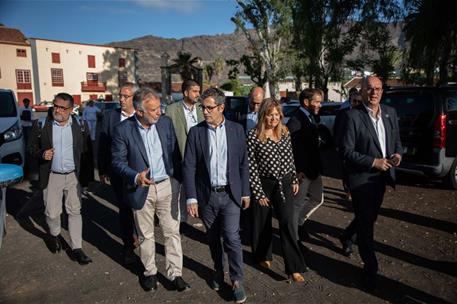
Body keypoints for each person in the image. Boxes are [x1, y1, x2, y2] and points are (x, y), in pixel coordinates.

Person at [111, 87, 189, 292]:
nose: (159, 113)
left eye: (159, 108)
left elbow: (174, 154)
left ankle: (175, 274)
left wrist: (178, 179)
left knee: (172, 232)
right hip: (140, 189)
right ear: (139, 111)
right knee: (146, 235)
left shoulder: (165, 123)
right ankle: (150, 273)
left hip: (166, 186)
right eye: (153, 110)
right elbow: (117, 162)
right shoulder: (123, 130)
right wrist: (136, 177)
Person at [183, 88, 250, 304]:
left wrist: (245, 192)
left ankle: (237, 280)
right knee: (212, 239)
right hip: (207, 196)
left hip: (230, 195)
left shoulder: (237, 130)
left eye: (209, 107)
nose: (204, 111)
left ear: (221, 107)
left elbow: (243, 164)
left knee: (232, 237)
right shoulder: (196, 132)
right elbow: (189, 166)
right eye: (202, 107)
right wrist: (191, 198)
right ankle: (218, 271)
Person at [339, 76, 402, 291]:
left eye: (377, 89)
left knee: (368, 217)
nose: (374, 93)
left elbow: (396, 141)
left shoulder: (390, 113)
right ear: (362, 91)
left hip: (382, 178)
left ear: (382, 91)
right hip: (361, 179)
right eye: (369, 89)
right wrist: (373, 162)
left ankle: (347, 235)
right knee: (367, 225)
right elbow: (346, 152)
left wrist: (397, 155)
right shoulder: (352, 116)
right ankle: (370, 268)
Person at [28, 93, 93, 265]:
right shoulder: (42, 124)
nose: (57, 110)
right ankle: (55, 235)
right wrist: (42, 153)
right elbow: (30, 147)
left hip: (73, 176)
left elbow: (87, 154)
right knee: (52, 213)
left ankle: (77, 248)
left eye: (62, 108)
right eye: (55, 106)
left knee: (74, 211)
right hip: (51, 176)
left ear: (71, 110)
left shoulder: (81, 126)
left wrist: (86, 180)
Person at [247, 98, 307, 282]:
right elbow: (251, 166)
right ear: (263, 115)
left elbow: (290, 157)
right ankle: (263, 256)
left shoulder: (285, 132)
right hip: (264, 183)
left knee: (288, 221)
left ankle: (294, 267)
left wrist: (294, 178)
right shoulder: (253, 136)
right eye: (270, 115)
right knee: (262, 221)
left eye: (276, 115)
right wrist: (258, 192)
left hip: (285, 183)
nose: (273, 118)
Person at [98, 82, 138, 264]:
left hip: (140, 171)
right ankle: (128, 245)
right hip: (118, 172)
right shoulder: (110, 117)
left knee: (141, 208)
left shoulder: (142, 114)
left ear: (135, 98)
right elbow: (103, 144)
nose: (121, 99)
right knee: (124, 208)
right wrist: (103, 169)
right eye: (120, 95)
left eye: (126, 96)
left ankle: (141, 239)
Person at [165, 79, 204, 230]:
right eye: (195, 91)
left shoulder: (202, 109)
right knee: (177, 193)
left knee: (197, 191)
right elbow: (167, 135)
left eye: (198, 91)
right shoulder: (172, 109)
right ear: (186, 92)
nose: (198, 94)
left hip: (199, 161)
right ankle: (179, 223)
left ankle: (202, 219)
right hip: (178, 159)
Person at [287, 88, 324, 241]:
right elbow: (292, 148)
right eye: (317, 102)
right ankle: (294, 239)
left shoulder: (311, 117)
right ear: (306, 102)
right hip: (302, 173)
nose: (320, 105)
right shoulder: (296, 120)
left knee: (317, 198)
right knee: (296, 205)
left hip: (314, 169)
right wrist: (296, 170)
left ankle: (299, 223)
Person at [333, 91, 363, 201]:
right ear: (350, 100)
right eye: (354, 101)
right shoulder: (343, 113)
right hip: (344, 147)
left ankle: (356, 189)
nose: (356, 103)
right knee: (346, 170)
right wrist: (336, 144)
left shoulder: (364, 114)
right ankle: (348, 190)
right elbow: (337, 129)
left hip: (359, 148)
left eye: (359, 101)